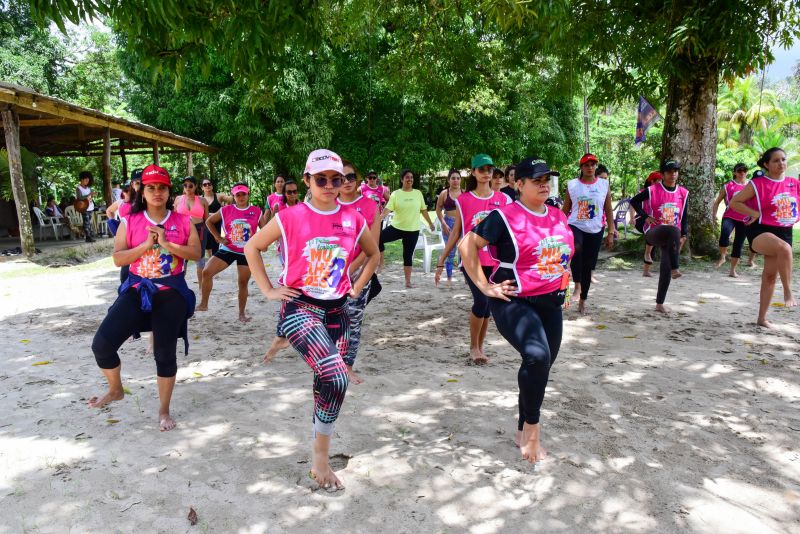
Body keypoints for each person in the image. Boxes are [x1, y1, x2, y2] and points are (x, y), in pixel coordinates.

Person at [245, 148, 378, 491]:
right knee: (336, 376)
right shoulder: (290, 216)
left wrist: (356, 285)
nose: (331, 185)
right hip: (299, 307)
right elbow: (251, 248)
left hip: (338, 312)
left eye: (338, 179)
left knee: (328, 385)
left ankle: (321, 449)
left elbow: (373, 253)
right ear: (307, 180)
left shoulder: (353, 218)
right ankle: (320, 459)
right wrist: (269, 290)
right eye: (322, 179)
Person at [460, 156, 573, 465]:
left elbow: (563, 252)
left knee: (541, 365)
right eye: (536, 179)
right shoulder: (504, 216)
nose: (544, 184)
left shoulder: (557, 215)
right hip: (514, 300)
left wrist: (566, 280)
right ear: (517, 184)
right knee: (537, 356)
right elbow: (466, 246)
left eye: (547, 178)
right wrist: (485, 287)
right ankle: (531, 433)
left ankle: (522, 426)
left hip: (551, 301)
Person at [89, 164, 201, 431]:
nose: (157, 192)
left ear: (169, 190)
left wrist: (167, 244)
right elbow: (118, 259)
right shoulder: (130, 221)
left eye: (162, 187)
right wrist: (144, 246)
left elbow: (196, 254)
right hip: (138, 290)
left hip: (170, 292)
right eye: (151, 187)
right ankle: (116, 389)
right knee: (102, 345)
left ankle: (163, 411)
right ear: (142, 190)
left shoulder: (183, 221)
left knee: (164, 354)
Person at [435, 154, 513, 364]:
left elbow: (512, 231)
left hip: (496, 262)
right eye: (482, 169)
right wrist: (443, 259)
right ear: (474, 172)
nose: (486, 173)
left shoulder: (504, 200)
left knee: (487, 305)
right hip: (471, 261)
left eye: (489, 169)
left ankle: (480, 346)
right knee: (481, 300)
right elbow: (456, 232)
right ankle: (473, 347)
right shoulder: (464, 200)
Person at [730, 147, 798, 327]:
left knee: (769, 276)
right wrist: (753, 212)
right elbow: (734, 202)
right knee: (784, 248)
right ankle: (788, 291)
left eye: (783, 159)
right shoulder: (757, 183)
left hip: (785, 230)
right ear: (766, 164)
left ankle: (761, 318)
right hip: (760, 230)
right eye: (776, 160)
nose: (781, 163)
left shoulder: (794, 183)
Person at [197, 183, 266, 322]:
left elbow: (265, 230)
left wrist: (263, 245)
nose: (241, 197)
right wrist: (218, 237)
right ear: (233, 196)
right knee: (206, 272)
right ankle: (204, 304)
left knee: (242, 282)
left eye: (243, 194)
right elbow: (209, 222)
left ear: (248, 194)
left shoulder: (256, 211)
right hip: (228, 248)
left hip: (247, 252)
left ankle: (241, 314)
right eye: (237, 194)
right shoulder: (226, 209)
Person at [630, 160, 688, 313]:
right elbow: (634, 201)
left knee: (665, 268)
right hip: (654, 232)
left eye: (676, 171)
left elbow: (684, 216)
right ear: (663, 174)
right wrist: (645, 216)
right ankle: (676, 268)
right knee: (673, 230)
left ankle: (659, 304)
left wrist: (685, 234)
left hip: (672, 236)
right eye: (669, 171)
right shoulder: (653, 189)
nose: (673, 174)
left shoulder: (683, 192)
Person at [562, 153, 617, 314]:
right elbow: (565, 209)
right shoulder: (572, 185)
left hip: (596, 228)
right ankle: (576, 285)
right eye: (586, 165)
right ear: (581, 168)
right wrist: (555, 225)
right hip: (575, 225)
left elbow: (608, 209)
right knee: (577, 248)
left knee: (588, 265)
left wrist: (611, 231)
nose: (590, 167)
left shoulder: (603, 185)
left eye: (593, 165)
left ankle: (583, 299)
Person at [379, 168, 436, 288]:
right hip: (396, 227)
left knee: (407, 255)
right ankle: (381, 263)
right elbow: (387, 209)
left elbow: (424, 210)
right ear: (402, 179)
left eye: (411, 177)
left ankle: (408, 282)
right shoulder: (396, 194)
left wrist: (430, 223)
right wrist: (380, 218)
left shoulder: (418, 193)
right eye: (407, 177)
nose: (410, 179)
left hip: (412, 230)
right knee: (377, 238)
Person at [713, 163, 756, 276]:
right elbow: (717, 202)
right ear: (735, 172)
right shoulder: (728, 186)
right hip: (730, 216)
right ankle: (723, 257)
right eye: (739, 171)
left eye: (744, 170)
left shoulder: (751, 186)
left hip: (745, 219)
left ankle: (732, 270)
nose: (742, 173)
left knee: (739, 243)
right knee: (725, 234)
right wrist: (714, 215)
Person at [174, 176, 210, 286]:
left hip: (199, 229)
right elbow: (174, 216)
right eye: (185, 185)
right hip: (182, 230)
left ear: (196, 186)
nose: (187, 188)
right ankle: (180, 285)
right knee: (181, 258)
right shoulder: (178, 199)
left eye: (190, 185)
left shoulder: (202, 200)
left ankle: (201, 286)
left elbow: (207, 219)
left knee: (200, 259)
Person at [434, 169, 463, 287]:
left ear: (460, 180)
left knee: (464, 251)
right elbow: (438, 209)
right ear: (449, 180)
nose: (455, 181)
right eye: (453, 178)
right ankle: (449, 277)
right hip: (448, 224)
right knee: (450, 252)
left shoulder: (465, 193)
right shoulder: (444, 193)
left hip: (461, 224)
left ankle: (467, 277)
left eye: (457, 178)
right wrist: (444, 224)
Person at [635, 171, 662, 277]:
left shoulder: (660, 193)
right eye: (658, 181)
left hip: (653, 221)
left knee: (653, 242)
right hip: (641, 220)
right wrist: (632, 218)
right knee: (652, 231)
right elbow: (633, 203)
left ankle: (646, 271)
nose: (661, 183)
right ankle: (647, 254)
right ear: (652, 181)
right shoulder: (645, 192)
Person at [200, 178, 231, 261]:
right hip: (205, 224)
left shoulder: (218, 196)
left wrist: (235, 192)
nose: (207, 186)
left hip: (216, 223)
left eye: (209, 184)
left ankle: (213, 262)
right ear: (202, 188)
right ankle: (211, 260)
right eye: (205, 184)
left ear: (212, 186)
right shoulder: (200, 198)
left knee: (215, 243)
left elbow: (231, 199)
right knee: (207, 245)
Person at [75, 171, 96, 242]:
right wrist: (89, 194)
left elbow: (89, 197)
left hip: (90, 207)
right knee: (86, 222)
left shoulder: (89, 188)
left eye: (88, 180)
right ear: (82, 179)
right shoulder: (78, 188)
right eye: (86, 180)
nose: (87, 182)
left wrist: (92, 195)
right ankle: (88, 236)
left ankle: (89, 235)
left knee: (89, 222)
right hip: (83, 208)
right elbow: (79, 197)